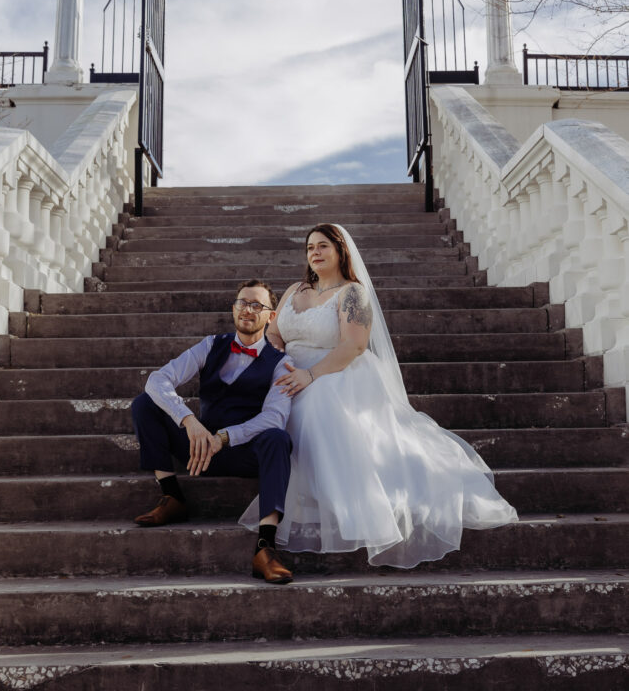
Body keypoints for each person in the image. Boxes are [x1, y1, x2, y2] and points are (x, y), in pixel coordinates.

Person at [239, 224, 518, 568]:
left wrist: (310, 375)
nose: (315, 252)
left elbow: (354, 345)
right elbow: (275, 332)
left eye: (323, 246)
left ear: (340, 251)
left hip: (335, 371)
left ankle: (338, 505)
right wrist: (281, 360)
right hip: (291, 372)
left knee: (314, 409)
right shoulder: (295, 290)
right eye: (310, 246)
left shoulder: (353, 293)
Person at [131, 278, 295, 584]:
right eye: (242, 302)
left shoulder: (281, 363)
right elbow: (158, 380)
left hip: (243, 452)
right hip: (199, 447)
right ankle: (172, 496)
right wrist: (189, 420)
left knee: (278, 438)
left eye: (257, 304)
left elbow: (274, 417)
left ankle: (265, 548)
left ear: (271, 316)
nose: (248, 309)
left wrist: (226, 436)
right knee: (145, 403)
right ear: (234, 308)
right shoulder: (211, 344)